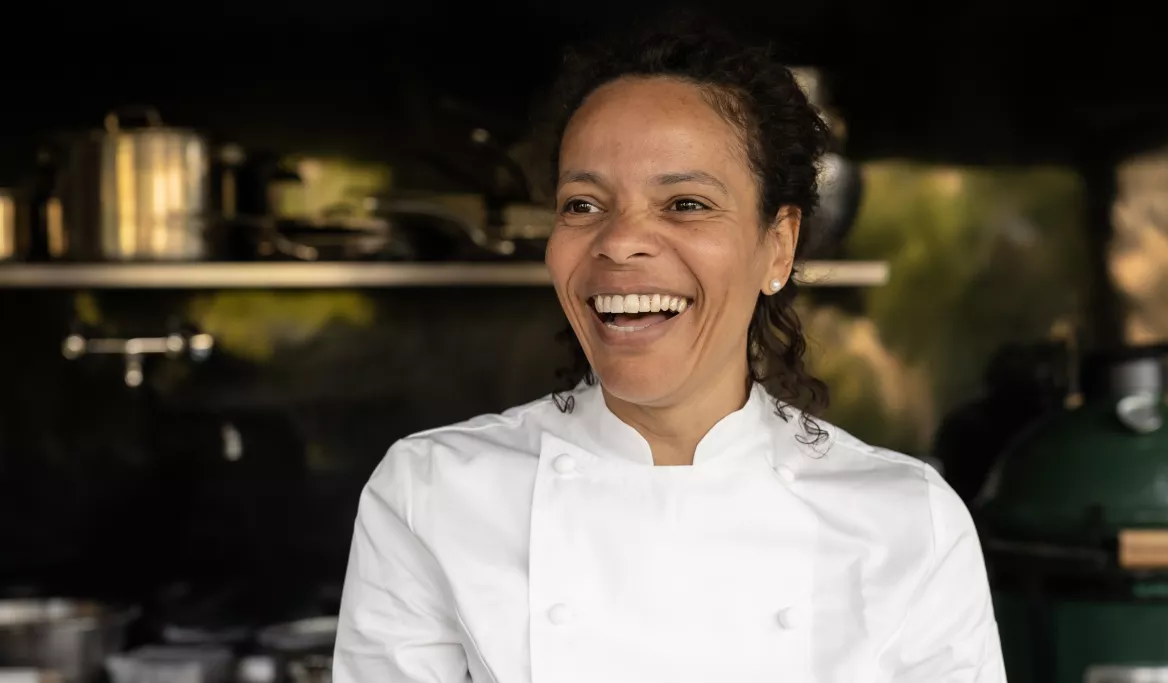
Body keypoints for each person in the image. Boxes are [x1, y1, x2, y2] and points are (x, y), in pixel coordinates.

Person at [333, 17, 1006, 683]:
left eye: (685, 203)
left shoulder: (909, 521)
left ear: (778, 247)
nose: (620, 242)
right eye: (582, 204)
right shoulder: (431, 493)